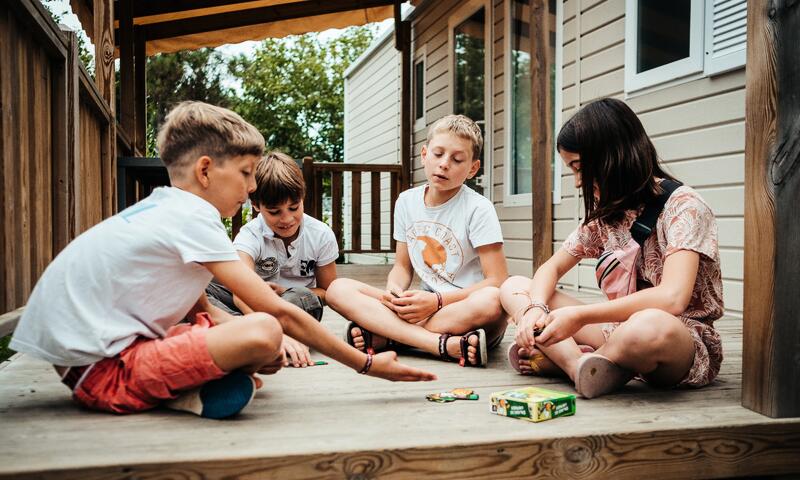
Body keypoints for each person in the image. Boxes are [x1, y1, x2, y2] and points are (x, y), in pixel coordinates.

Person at [10, 101, 435, 419]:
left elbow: (208, 309)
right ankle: (184, 394)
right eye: (247, 172)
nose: (251, 188)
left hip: (100, 360)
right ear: (206, 170)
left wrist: (253, 340)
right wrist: (365, 364)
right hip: (104, 375)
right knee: (265, 331)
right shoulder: (195, 217)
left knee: (257, 342)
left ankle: (196, 387)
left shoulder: (167, 209)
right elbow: (275, 314)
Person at [500, 98, 724, 398]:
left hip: (677, 340)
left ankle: (571, 359)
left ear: (613, 156)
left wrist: (579, 317)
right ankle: (581, 366)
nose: (579, 182)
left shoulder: (685, 207)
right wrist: (534, 309)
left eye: (580, 168)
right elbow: (551, 268)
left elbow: (672, 298)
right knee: (515, 286)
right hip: (614, 330)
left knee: (648, 325)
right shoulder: (608, 213)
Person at [326, 114, 508, 367]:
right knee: (338, 288)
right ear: (424, 154)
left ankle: (390, 336)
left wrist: (438, 301)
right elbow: (402, 267)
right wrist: (394, 292)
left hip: (463, 309)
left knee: (492, 303)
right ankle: (441, 345)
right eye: (438, 154)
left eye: (457, 159)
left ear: (472, 169)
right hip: (421, 305)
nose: (444, 164)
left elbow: (497, 281)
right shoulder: (407, 202)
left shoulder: (479, 208)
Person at [205, 151, 338, 368]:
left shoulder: (321, 234)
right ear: (257, 206)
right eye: (275, 212)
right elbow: (240, 292)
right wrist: (259, 311)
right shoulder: (250, 235)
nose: (287, 219)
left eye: (294, 208)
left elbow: (327, 291)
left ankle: (235, 335)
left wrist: (283, 294)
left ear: (302, 198)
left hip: (294, 307)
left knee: (304, 296)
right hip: (248, 306)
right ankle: (253, 334)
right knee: (205, 289)